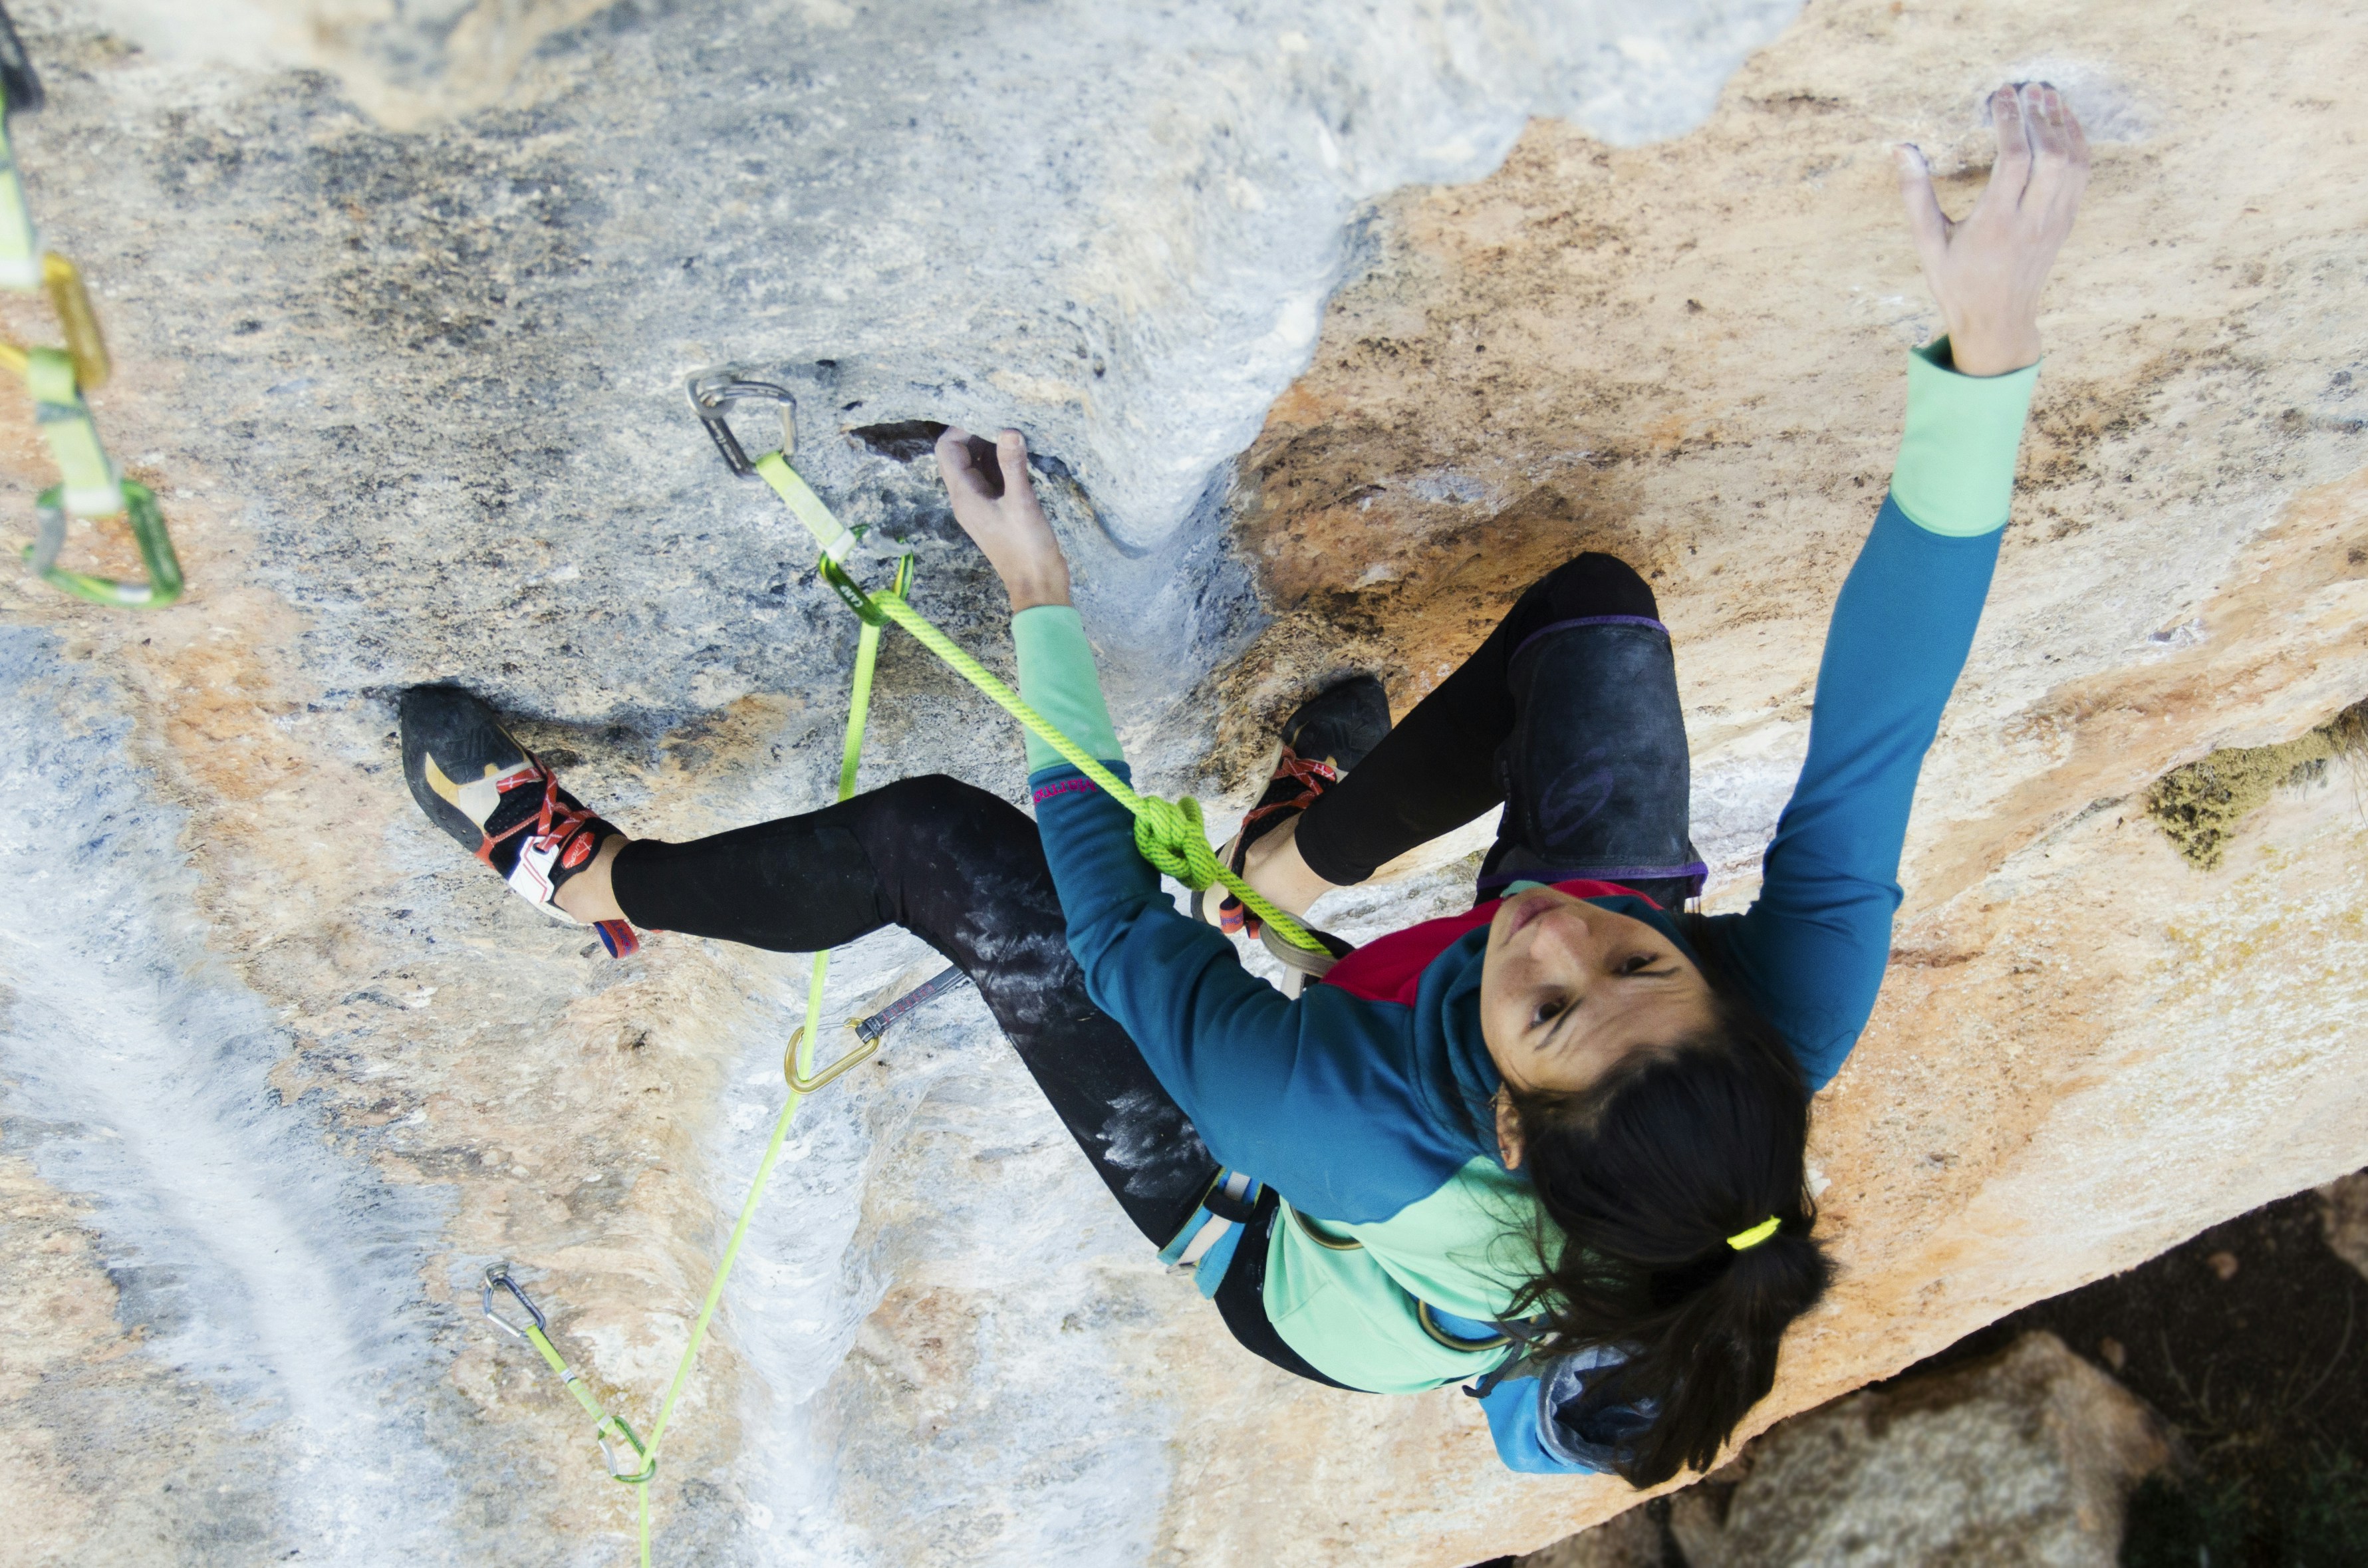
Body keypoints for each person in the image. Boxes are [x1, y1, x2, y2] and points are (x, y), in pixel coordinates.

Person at [400, 82, 2087, 1484]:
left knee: (937, 846)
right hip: (1530, 1119)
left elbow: (1117, 934)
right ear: (1721, 1006)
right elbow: (1884, 720)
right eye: (1645, 957)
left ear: (1506, 1120)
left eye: (1556, 1005)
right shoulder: (1773, 1026)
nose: (1567, 932)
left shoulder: (1335, 1130)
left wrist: (1036, 584)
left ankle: (587, 884)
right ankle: (1284, 867)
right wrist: (1987, 347)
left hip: (1261, 1237)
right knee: (1591, 624)